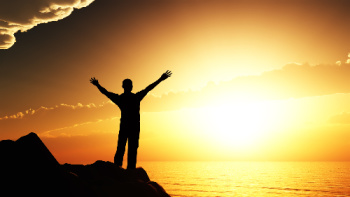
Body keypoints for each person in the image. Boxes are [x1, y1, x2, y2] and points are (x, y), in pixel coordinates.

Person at [90, 70, 172, 169]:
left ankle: (118, 168)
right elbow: (148, 88)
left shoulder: (121, 98)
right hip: (133, 128)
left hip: (125, 127)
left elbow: (106, 93)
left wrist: (97, 85)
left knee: (122, 148)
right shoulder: (136, 97)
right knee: (131, 149)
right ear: (131, 87)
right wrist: (160, 79)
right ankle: (129, 170)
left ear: (123, 87)